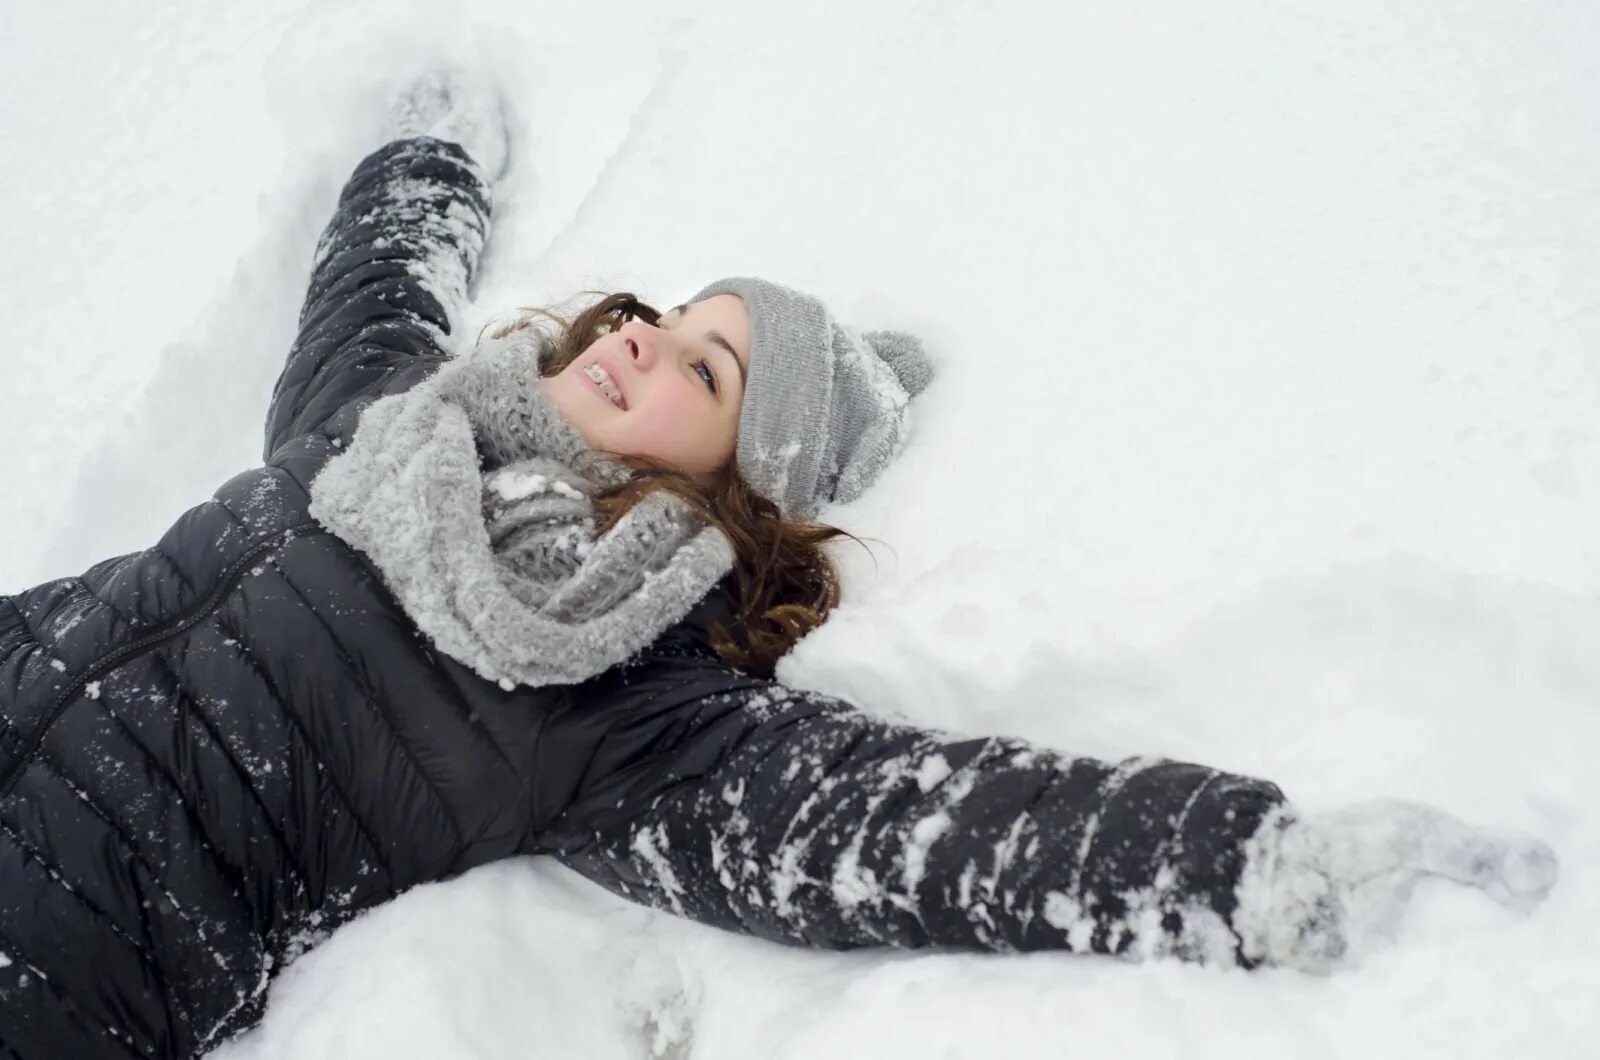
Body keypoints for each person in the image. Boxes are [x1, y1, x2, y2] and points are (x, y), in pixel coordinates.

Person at [0, 73, 1558, 1060]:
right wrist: (433, 136)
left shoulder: (610, 694)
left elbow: (904, 827)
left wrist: (1244, 864)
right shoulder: (383, 418)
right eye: (664, 313)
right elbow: (379, 270)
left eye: (706, 367)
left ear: (741, 488)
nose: (639, 336)